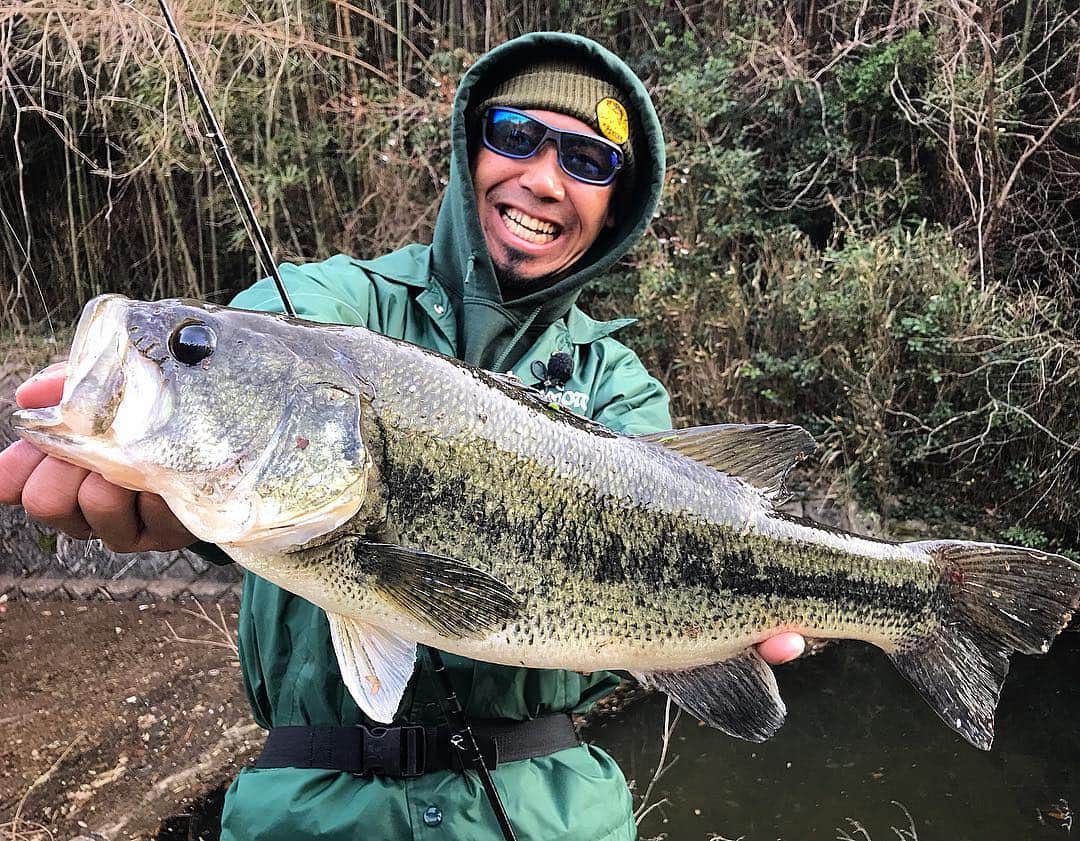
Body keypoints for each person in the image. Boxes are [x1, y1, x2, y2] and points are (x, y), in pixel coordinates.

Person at [0, 32, 805, 840]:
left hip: (548, 815)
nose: (542, 178)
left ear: (615, 204)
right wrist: (178, 497)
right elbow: (266, 467)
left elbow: (672, 542)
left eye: (587, 162)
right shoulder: (324, 304)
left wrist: (703, 643)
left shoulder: (620, 387)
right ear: (470, 149)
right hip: (308, 815)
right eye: (516, 137)